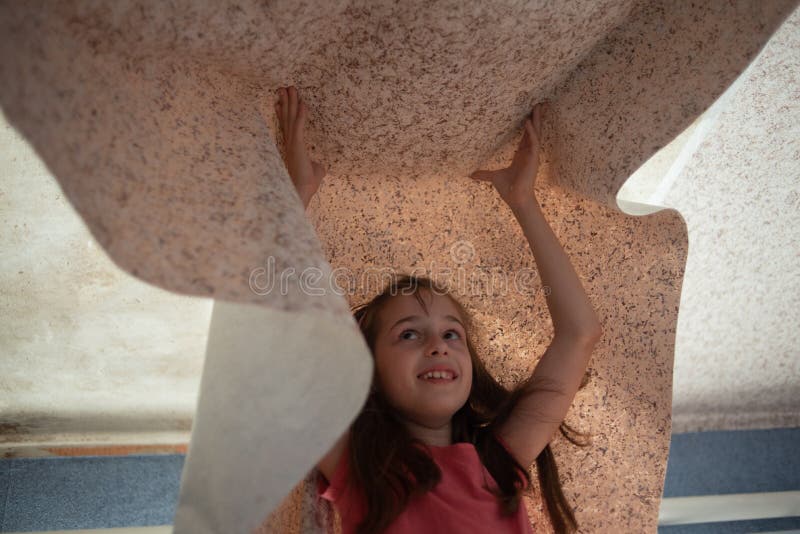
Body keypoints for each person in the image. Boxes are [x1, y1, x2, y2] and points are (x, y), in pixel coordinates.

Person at [274, 86, 603, 533]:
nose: (439, 346)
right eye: (409, 334)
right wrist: (297, 198)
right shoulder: (361, 471)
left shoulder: (499, 464)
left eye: (453, 334)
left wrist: (523, 200)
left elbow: (580, 332)